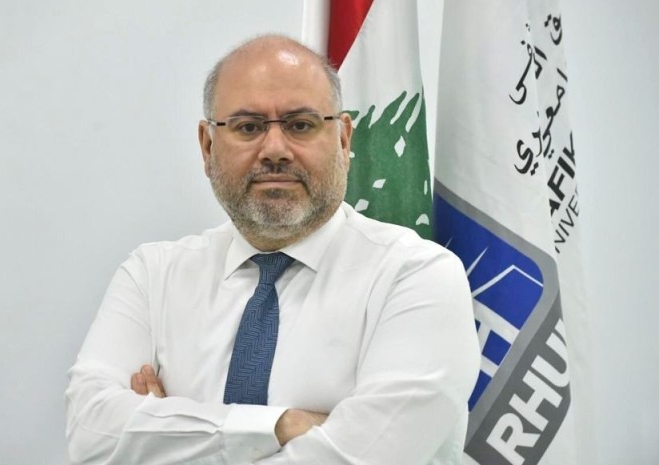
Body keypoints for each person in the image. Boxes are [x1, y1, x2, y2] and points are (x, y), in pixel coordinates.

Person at [65, 34, 480, 465]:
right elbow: (90, 436)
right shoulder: (152, 276)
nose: (276, 150)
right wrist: (280, 426)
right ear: (207, 146)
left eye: (300, 125)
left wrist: (165, 433)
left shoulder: (416, 277)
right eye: (248, 127)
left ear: (343, 139)